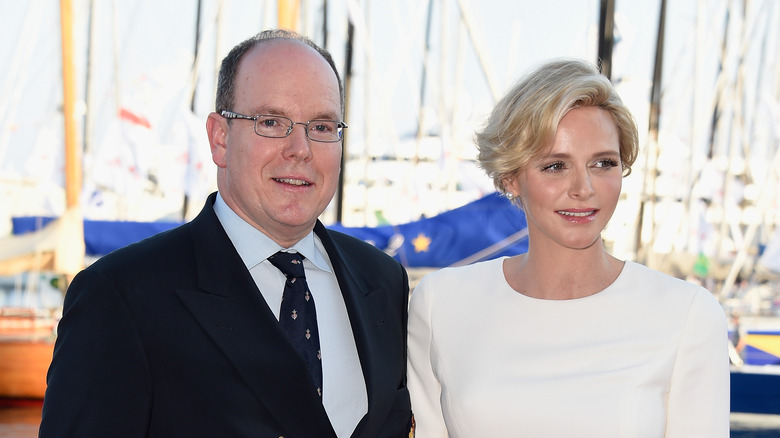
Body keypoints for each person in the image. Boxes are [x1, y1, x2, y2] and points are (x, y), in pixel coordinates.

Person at [40, 29, 413, 438]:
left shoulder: (383, 282)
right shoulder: (122, 297)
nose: (301, 149)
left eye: (322, 127)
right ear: (220, 138)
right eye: (272, 122)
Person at [407, 59, 729, 437]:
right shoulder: (441, 303)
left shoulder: (687, 315)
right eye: (556, 166)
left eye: (603, 163)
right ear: (511, 177)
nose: (583, 188)